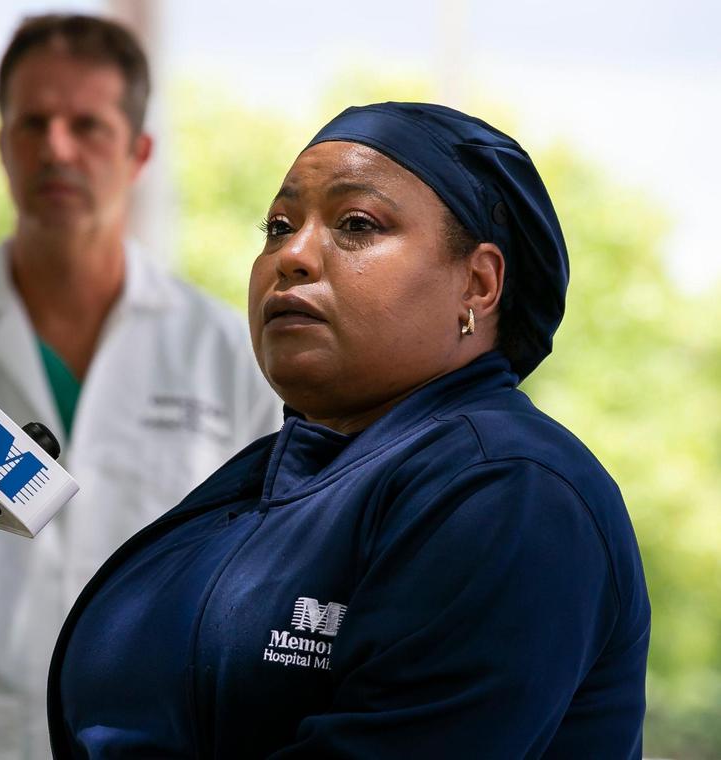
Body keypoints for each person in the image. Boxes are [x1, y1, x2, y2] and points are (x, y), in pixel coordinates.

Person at [49, 102, 651, 758]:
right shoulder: (263, 484)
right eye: (278, 226)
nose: (293, 256)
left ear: (478, 285)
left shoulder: (510, 489)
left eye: (357, 223)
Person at [0, 14, 280, 760]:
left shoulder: (224, 350)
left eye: (87, 125)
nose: (56, 148)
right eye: (32, 123)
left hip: (152, 738)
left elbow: (260, 572)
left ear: (139, 152)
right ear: (2, 146)